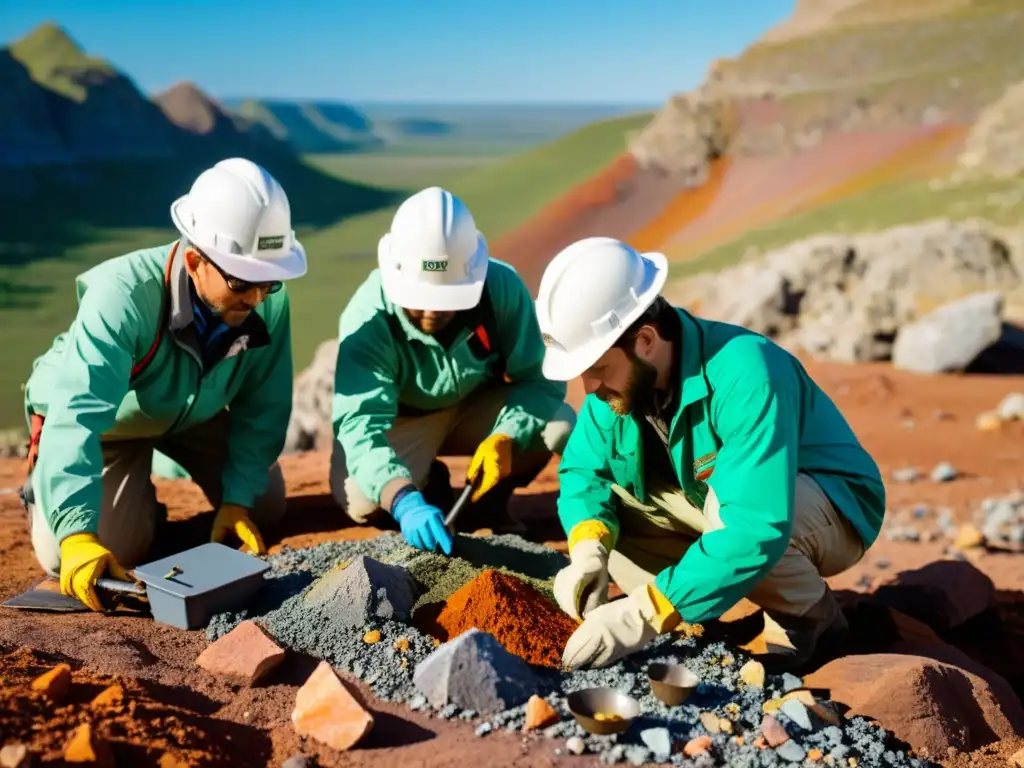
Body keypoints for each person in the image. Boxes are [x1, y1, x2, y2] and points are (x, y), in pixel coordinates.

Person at [536, 236, 885, 671]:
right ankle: (694, 611)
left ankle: (811, 620)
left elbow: (755, 524)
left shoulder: (746, 369)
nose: (589, 388)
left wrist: (643, 613)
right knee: (615, 513)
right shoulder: (620, 385)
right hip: (715, 504)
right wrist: (589, 549)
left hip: (829, 506)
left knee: (734, 512)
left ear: (645, 340)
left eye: (597, 370)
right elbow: (582, 473)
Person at [20, 157, 306, 612]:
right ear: (195, 261)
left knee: (263, 505)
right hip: (114, 423)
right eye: (242, 281)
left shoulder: (266, 298)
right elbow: (78, 416)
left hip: (194, 413)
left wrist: (235, 501)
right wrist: (77, 535)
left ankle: (169, 491)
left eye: (268, 281)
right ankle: (69, 495)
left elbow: (264, 405)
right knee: (70, 555)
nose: (256, 298)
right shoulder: (122, 296)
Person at [330, 186, 577, 554]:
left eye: (446, 301)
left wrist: (506, 435)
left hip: (478, 409)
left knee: (556, 424)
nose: (431, 313)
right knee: (364, 500)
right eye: (419, 301)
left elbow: (541, 381)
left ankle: (489, 501)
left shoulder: (501, 288)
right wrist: (403, 500)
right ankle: (429, 488)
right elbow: (360, 427)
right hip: (403, 418)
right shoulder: (368, 318)